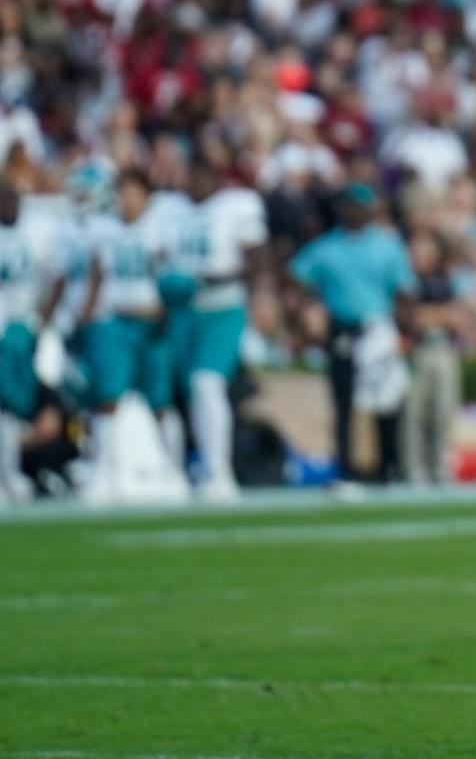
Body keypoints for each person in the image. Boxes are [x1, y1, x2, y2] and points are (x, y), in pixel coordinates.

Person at [289, 184, 414, 485]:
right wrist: (310, 311)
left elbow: (404, 292)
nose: (354, 212)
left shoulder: (386, 245)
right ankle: (347, 469)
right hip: (343, 328)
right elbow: (295, 278)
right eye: (349, 206)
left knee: (387, 400)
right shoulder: (327, 247)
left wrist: (406, 332)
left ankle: (389, 466)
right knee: (344, 402)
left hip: (379, 328)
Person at [73, 167, 184, 503]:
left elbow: (173, 276)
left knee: (159, 402)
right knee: (108, 399)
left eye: (133, 190)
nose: (127, 198)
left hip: (151, 321)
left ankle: (173, 471)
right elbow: (97, 275)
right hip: (114, 321)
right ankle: (104, 473)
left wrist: (167, 311)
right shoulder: (103, 229)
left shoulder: (161, 227)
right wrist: (86, 318)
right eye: (123, 190)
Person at [165, 159, 269, 501]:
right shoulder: (170, 209)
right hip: (181, 312)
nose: (195, 182)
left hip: (222, 307)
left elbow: (256, 259)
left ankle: (219, 472)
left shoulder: (234, 206)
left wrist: (218, 277)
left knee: (206, 384)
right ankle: (174, 474)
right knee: (177, 393)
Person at [0, 182, 66, 503]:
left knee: (13, 407)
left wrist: (40, 321)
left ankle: (10, 475)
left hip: (21, 331)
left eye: (12, 197)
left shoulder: (37, 232)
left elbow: (56, 278)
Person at [401, 230, 465, 486]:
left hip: (442, 349)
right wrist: (436, 316)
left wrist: (430, 316)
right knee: (414, 413)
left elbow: (455, 318)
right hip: (418, 351)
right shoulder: (406, 282)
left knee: (443, 411)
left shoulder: (443, 281)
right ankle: (414, 469)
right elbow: (412, 319)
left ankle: (440, 467)